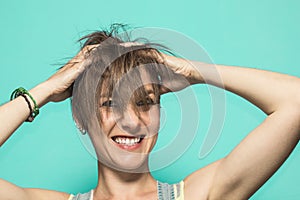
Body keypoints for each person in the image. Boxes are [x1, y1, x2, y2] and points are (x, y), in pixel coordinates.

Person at [0, 25, 299, 200]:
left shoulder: (197, 195)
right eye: (108, 103)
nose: (131, 121)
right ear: (81, 118)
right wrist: (44, 91)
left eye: (144, 102)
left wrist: (190, 71)